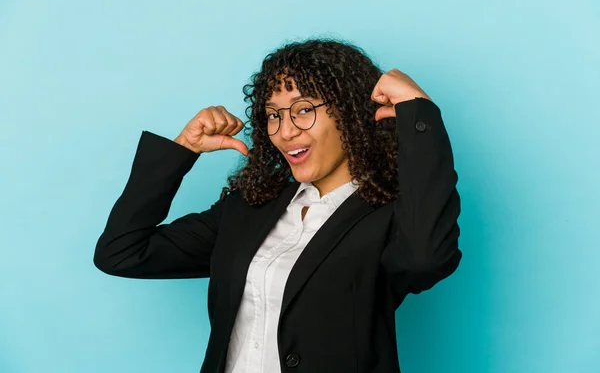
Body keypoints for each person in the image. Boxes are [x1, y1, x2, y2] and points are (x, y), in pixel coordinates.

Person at [93, 39, 462, 373]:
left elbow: (425, 259)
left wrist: (419, 117)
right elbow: (122, 253)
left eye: (303, 110)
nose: (285, 131)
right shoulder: (249, 209)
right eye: (274, 114)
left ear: (350, 114)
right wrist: (182, 149)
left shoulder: (389, 218)